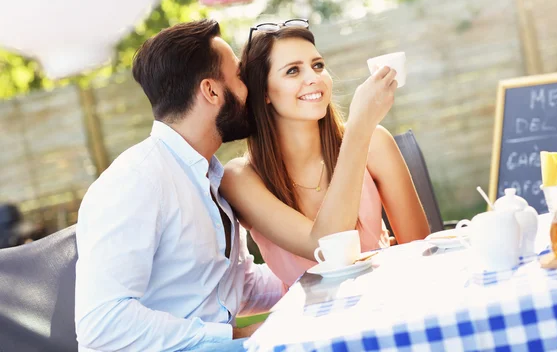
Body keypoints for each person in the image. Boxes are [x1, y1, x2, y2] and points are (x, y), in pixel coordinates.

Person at [75, 20, 285, 352]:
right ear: (211, 91)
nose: (251, 91)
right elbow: (104, 325)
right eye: (240, 78)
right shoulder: (135, 182)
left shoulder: (210, 176)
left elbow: (237, 287)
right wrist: (234, 337)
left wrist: (320, 272)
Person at [221, 20, 430, 287]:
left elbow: (422, 251)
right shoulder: (239, 178)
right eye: (293, 71)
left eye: (317, 65)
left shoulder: (374, 142)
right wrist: (359, 128)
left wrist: (361, 131)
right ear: (264, 93)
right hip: (313, 325)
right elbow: (327, 247)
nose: (313, 78)